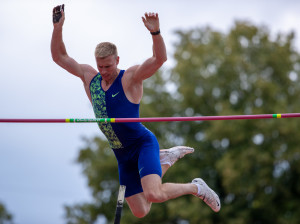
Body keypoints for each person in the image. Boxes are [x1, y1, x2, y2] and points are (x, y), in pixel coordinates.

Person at [51, 5, 221, 218]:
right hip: (121, 155)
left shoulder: (129, 78)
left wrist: (155, 33)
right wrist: (58, 26)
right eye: (100, 66)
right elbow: (60, 57)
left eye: (108, 66)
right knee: (141, 210)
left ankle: (196, 188)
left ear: (117, 61)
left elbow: (159, 60)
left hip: (141, 145)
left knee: (154, 193)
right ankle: (166, 159)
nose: (103, 72)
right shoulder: (89, 78)